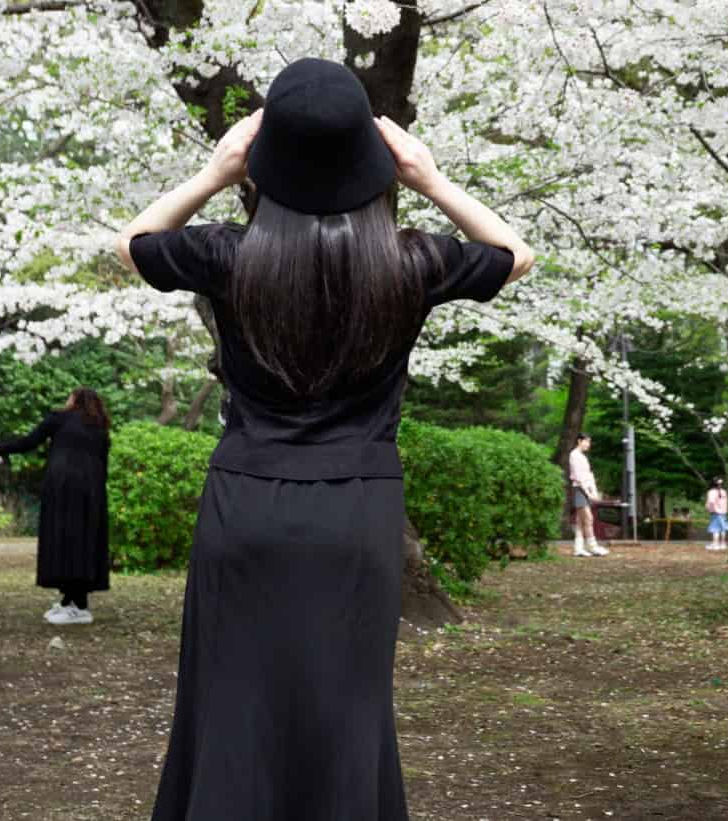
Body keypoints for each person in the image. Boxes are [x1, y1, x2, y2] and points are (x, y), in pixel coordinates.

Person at [117, 57, 533, 821]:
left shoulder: (228, 255)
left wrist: (214, 172)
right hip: (357, 512)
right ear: (372, 160)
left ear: (264, 158)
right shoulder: (411, 261)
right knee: (348, 715)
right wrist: (431, 180)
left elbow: (135, 242)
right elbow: (515, 255)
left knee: (231, 713)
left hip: (244, 502)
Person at [0, 387, 112, 625]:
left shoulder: (59, 419)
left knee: (63, 541)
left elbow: (29, 442)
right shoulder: (100, 428)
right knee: (82, 544)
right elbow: (102, 464)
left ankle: (74, 605)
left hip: (63, 491)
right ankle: (74, 602)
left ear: (74, 400)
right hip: (91, 494)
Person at [567, 434, 608, 557]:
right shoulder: (574, 455)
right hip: (580, 489)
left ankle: (578, 548)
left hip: (584, 490)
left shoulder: (582, 457)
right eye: (586, 442)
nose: (588, 445)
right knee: (589, 518)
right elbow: (579, 477)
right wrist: (589, 493)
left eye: (589, 442)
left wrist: (594, 491)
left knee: (580, 521)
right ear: (579, 441)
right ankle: (593, 546)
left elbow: (589, 475)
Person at [704, 478, 728, 551]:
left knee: (715, 529)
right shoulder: (724, 492)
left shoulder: (711, 492)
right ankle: (723, 544)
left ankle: (715, 545)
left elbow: (711, 502)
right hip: (724, 512)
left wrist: (709, 508)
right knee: (723, 528)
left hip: (716, 512)